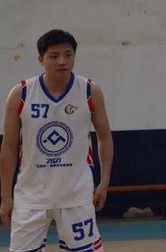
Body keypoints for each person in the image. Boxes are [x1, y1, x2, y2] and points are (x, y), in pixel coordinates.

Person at [0, 29, 113, 252]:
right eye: (54, 56)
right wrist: (6, 196)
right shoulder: (21, 94)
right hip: (30, 197)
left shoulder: (90, 91)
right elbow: (9, 148)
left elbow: (105, 136)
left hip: (76, 196)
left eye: (68, 55)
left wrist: (104, 182)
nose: (62, 61)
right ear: (41, 59)